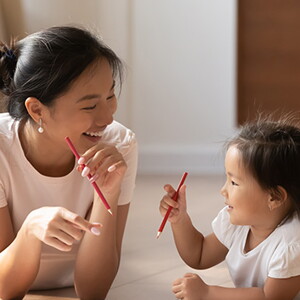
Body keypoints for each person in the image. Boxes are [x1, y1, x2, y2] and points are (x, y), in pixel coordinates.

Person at [0, 25, 138, 299]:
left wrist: (107, 195)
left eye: (110, 96)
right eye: (90, 106)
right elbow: (4, 290)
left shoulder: (119, 144)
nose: (107, 118)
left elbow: (93, 291)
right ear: (37, 109)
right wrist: (30, 230)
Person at [159, 116, 300, 300]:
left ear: (274, 197)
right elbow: (199, 255)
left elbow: (269, 297)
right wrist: (179, 219)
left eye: (233, 182)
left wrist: (208, 293)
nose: (223, 190)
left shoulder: (292, 244)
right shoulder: (237, 224)